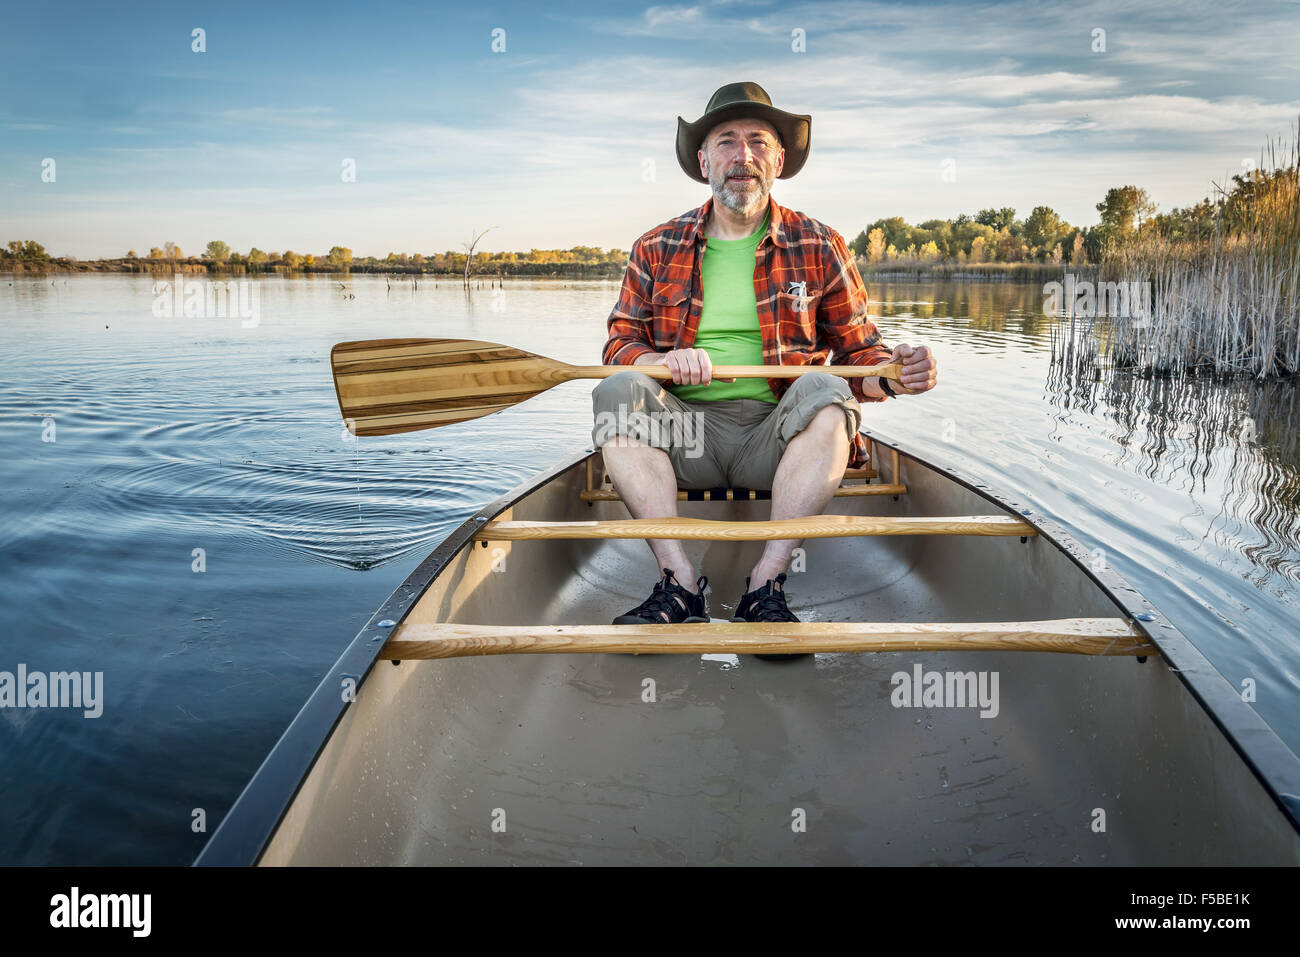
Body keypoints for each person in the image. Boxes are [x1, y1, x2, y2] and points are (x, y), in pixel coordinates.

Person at [592, 82, 938, 649]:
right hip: (683, 441)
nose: (743, 155)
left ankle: (766, 585)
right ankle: (679, 585)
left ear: (779, 159)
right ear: (704, 160)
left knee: (828, 388)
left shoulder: (821, 244)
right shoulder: (656, 245)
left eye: (758, 141)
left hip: (776, 442)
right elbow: (618, 344)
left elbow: (859, 355)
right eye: (726, 141)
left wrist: (895, 374)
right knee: (617, 389)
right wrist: (659, 361)